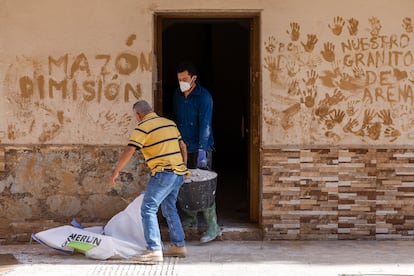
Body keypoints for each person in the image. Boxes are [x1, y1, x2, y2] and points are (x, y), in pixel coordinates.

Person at [110, 100, 189, 264]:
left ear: (138, 114)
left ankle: (153, 250)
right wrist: (183, 166)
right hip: (178, 173)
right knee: (169, 207)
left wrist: (116, 171)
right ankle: (178, 246)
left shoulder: (142, 127)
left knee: (148, 208)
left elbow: (130, 149)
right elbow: (183, 146)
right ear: (151, 110)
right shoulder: (169, 124)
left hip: (163, 174)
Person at [173, 62, 222, 243]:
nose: (181, 83)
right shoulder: (177, 95)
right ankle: (190, 219)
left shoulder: (204, 97)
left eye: (184, 79)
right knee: (184, 184)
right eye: (179, 79)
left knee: (204, 188)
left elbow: (206, 124)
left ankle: (212, 227)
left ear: (194, 78)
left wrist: (202, 149)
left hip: (201, 148)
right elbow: (176, 119)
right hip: (182, 147)